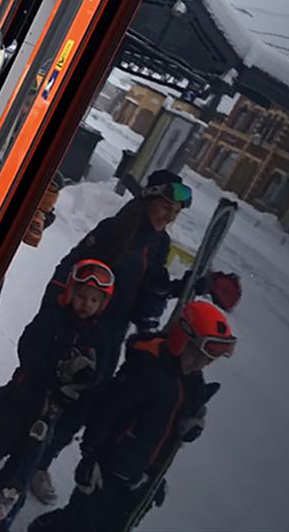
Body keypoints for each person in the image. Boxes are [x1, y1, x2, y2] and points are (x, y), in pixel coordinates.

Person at [28, 168, 191, 502]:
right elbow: (69, 269)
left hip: (111, 337)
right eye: (164, 207)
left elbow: (146, 300)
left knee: (82, 406)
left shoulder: (160, 244)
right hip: (80, 325)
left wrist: (171, 289)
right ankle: (13, 442)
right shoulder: (116, 231)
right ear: (148, 199)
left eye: (174, 213)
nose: (168, 217)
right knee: (48, 390)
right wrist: (53, 317)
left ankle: (40, 463)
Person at [28, 301, 235, 532]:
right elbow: (107, 411)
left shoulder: (193, 383)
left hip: (139, 475)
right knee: (82, 521)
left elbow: (170, 431)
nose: (200, 364)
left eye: (207, 360)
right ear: (180, 340)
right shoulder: (147, 370)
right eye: (196, 354)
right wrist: (90, 455)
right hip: (109, 467)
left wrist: (190, 428)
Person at [0, 260, 117, 530]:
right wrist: (54, 373)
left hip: (48, 419)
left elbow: (101, 375)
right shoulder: (53, 316)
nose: (85, 304)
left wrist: (82, 381)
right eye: (80, 296)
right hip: (21, 401)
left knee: (16, 480)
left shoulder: (101, 336)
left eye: (93, 300)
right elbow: (28, 346)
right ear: (70, 292)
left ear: (102, 304)